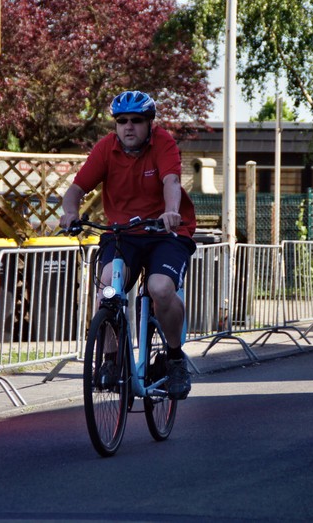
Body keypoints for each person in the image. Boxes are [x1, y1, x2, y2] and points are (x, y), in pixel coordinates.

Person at [59, 90, 197, 399]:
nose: (128, 127)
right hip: (123, 233)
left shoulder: (163, 143)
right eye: (122, 121)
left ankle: (175, 359)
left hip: (165, 232)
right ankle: (110, 360)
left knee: (160, 288)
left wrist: (171, 211)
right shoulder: (106, 148)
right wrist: (69, 213)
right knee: (108, 289)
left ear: (150, 123)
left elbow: (171, 181)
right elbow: (76, 189)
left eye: (136, 120)